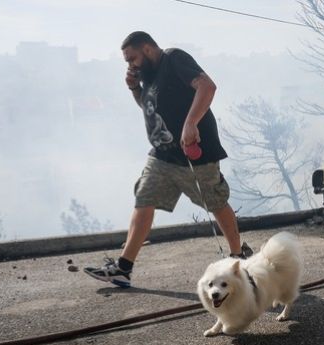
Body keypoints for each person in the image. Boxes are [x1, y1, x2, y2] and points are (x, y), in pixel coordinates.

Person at [84, 31, 249, 288]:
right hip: (162, 156)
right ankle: (123, 268)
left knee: (216, 202)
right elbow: (150, 107)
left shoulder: (173, 59)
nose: (130, 65)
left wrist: (190, 124)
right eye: (127, 61)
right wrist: (133, 88)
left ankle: (239, 257)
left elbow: (207, 86)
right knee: (144, 199)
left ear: (148, 49)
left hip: (194, 154)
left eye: (132, 58)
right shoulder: (147, 75)